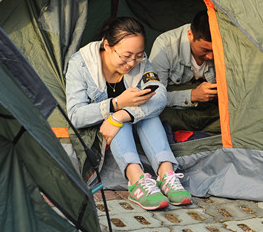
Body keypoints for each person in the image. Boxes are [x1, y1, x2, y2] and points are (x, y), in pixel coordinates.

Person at [65, 16, 192, 211]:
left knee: (144, 113)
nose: (132, 62)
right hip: (102, 131)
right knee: (119, 119)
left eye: (139, 55)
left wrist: (121, 113)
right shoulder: (80, 64)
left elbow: (159, 95)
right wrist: (115, 104)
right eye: (126, 56)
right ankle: (136, 180)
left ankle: (167, 175)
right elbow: (76, 115)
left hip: (129, 122)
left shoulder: (141, 62)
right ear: (107, 45)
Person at [149, 10, 221, 135]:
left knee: (231, 118)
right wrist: (192, 95)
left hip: (210, 105)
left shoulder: (227, 43)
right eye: (205, 50)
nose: (210, 56)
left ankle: (201, 134)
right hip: (173, 105)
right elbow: (154, 97)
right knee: (158, 116)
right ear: (190, 35)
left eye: (215, 50)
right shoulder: (165, 46)